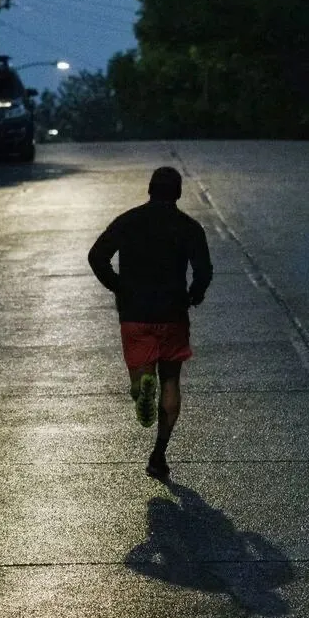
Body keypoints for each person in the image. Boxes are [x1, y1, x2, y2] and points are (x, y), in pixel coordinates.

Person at [88, 166, 213, 479]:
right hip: (172, 314)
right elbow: (204, 271)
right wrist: (194, 295)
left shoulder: (128, 221)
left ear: (149, 189)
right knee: (170, 380)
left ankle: (140, 386)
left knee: (141, 372)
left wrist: (118, 286)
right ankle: (159, 454)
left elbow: (97, 256)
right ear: (178, 193)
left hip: (135, 313)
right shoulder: (189, 227)